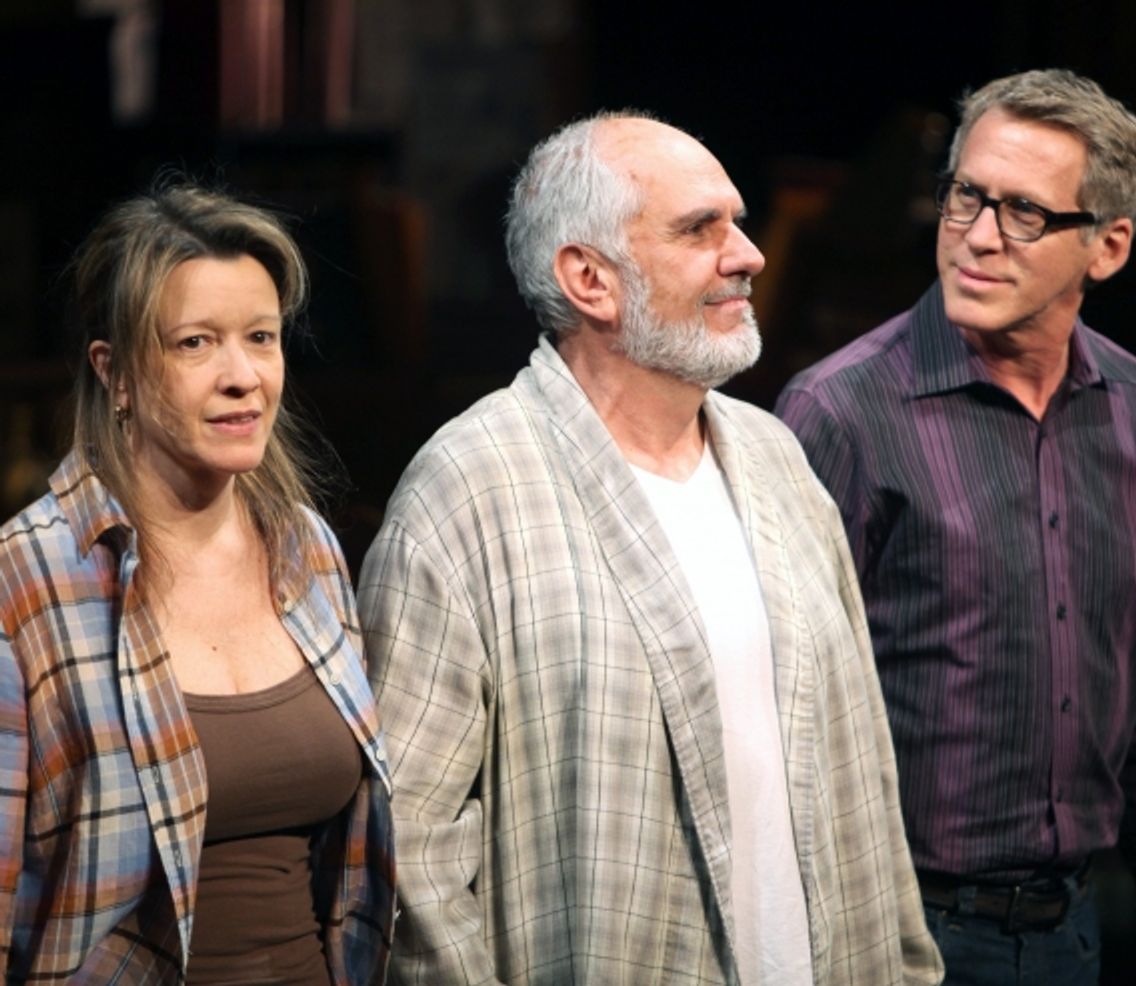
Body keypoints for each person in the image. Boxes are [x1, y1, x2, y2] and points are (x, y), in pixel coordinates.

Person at [359, 112, 942, 986]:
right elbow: (405, 842)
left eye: (736, 224)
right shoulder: (469, 492)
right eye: (699, 229)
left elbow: (861, 765)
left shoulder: (776, 461)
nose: (747, 254)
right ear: (590, 278)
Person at [775, 69, 1136, 985]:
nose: (980, 239)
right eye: (968, 197)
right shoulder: (839, 413)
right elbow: (782, 710)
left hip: (1081, 922)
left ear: (1108, 247)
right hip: (898, 927)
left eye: (1027, 214)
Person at [0, 183, 395, 984]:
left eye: (261, 337)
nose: (243, 376)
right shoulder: (31, 578)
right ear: (113, 372)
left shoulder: (306, 550)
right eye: (195, 344)